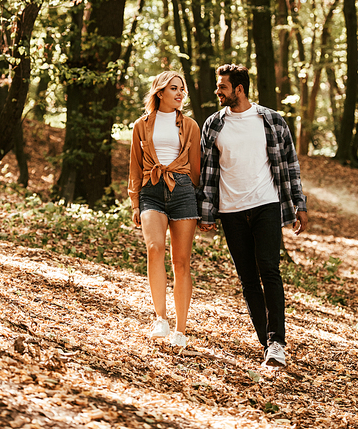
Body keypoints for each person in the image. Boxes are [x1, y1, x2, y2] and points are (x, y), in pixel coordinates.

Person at [198, 64, 308, 368]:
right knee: (247, 279)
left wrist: (300, 204)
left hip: (266, 204)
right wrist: (206, 211)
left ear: (239, 89)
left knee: (269, 270)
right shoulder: (213, 125)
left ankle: (277, 342)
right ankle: (266, 341)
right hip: (231, 211)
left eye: (222, 87)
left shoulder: (271, 120)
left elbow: (291, 164)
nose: (217, 92)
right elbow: (207, 173)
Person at [128, 71, 201, 348]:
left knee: (181, 263)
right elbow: (135, 165)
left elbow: (196, 168)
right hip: (151, 190)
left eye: (182, 89)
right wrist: (135, 201)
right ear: (160, 93)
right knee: (154, 248)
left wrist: (202, 205)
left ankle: (180, 331)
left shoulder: (191, 126)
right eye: (174, 88)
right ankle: (160, 318)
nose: (180, 93)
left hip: (183, 191)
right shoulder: (142, 125)